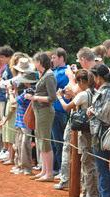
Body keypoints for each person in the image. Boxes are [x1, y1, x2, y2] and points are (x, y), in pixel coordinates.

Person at [87, 64, 110, 197]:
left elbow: (107, 116)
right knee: (101, 167)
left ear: (98, 76)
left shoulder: (109, 90)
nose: (93, 78)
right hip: (98, 131)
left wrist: (92, 111)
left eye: (94, 75)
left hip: (103, 131)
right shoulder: (105, 89)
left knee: (103, 168)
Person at [26, 51, 57, 182]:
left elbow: (52, 98)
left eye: (35, 62)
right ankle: (44, 171)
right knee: (40, 140)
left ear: (40, 62)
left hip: (45, 111)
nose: (34, 64)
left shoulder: (49, 75)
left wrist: (34, 97)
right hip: (39, 110)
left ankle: (48, 173)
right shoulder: (44, 75)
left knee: (45, 141)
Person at [8, 70, 38, 175]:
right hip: (22, 121)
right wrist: (15, 89)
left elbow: (13, 101)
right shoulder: (31, 90)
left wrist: (10, 91)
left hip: (25, 122)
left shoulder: (28, 91)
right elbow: (18, 99)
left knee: (24, 145)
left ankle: (26, 168)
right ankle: (20, 166)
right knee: (19, 145)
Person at [50, 48, 69, 176]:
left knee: (59, 142)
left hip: (60, 111)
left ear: (62, 58)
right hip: (55, 111)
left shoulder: (64, 72)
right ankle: (56, 168)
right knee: (54, 142)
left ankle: (62, 170)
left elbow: (49, 81)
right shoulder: (56, 71)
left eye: (54, 58)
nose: (52, 60)